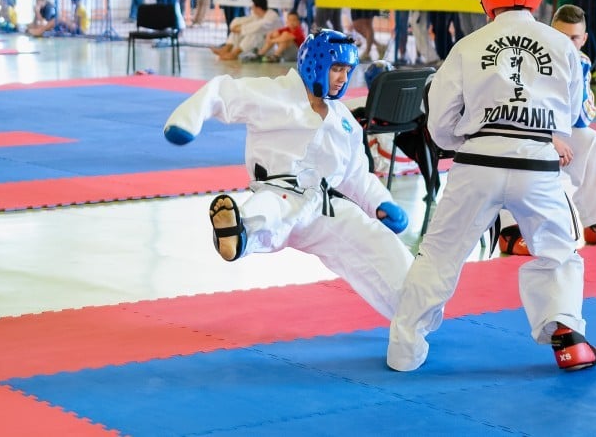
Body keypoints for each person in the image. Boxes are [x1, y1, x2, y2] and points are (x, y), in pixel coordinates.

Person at [387, 0, 596, 373]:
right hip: (538, 166)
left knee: (439, 254)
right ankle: (568, 338)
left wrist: (462, 141)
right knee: (558, 251)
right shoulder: (564, 48)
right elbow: (568, 120)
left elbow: (440, 120)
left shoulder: (468, 46)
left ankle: (404, 349)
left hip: (478, 162)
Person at [163, 30, 413, 322]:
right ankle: (237, 234)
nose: (343, 78)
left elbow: (356, 174)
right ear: (315, 64)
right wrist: (187, 121)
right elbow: (221, 91)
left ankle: (413, 306)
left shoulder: (344, 119)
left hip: (325, 206)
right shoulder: (274, 94)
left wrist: (381, 203)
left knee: (374, 239)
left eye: (347, 71)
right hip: (278, 188)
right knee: (268, 212)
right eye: (336, 69)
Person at [497, 4, 596, 256]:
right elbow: (517, 112)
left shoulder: (582, 62)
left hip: (555, 130)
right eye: (561, 36)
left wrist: (578, 74)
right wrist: (548, 137)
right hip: (519, 128)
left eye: (574, 38)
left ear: (583, 39)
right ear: (550, 31)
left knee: (591, 140)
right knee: (513, 146)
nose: (567, 44)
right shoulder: (530, 59)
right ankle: (510, 230)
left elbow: (582, 119)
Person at [211, 0, 280, 61]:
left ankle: (234, 54)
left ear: (258, 8)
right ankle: (226, 49)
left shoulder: (272, 16)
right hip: (259, 41)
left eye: (253, 6)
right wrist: (235, 26)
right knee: (237, 32)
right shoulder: (257, 15)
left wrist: (240, 29)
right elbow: (245, 20)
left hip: (268, 44)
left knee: (253, 34)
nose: (252, 8)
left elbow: (258, 27)